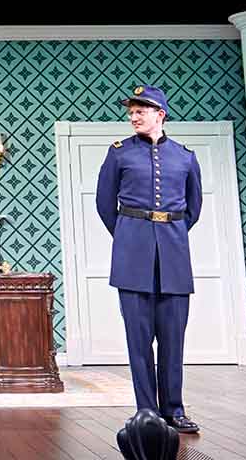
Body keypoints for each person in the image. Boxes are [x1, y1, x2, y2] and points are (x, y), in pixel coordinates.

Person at [94, 84, 203, 434]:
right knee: (139, 342)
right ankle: (148, 412)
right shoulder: (118, 153)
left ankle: (174, 410)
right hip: (132, 258)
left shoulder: (185, 157)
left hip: (174, 257)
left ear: (161, 114)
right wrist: (130, 236)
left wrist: (167, 234)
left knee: (173, 340)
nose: (133, 116)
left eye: (141, 110)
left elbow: (193, 209)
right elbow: (104, 204)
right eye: (131, 111)